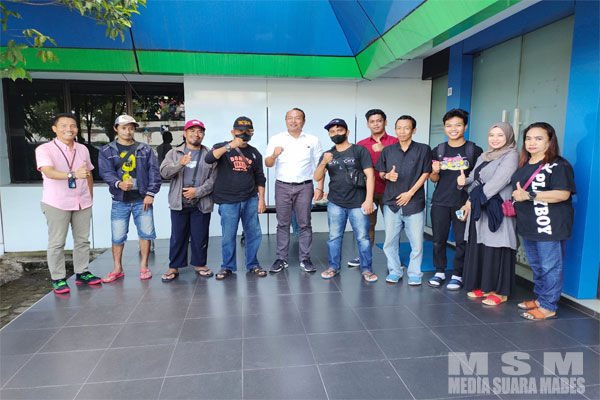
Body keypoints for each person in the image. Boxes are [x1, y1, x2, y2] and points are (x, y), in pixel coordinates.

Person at [511, 122, 576, 320]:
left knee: (550, 266)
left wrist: (530, 195)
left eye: (538, 138)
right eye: (528, 138)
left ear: (550, 141)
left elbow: (563, 194)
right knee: (537, 266)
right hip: (529, 224)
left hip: (549, 225)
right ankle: (541, 299)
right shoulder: (524, 164)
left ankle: (548, 306)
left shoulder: (558, 165)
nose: (532, 142)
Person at [35, 113, 102, 294]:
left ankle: (82, 272)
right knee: (57, 242)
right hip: (57, 202)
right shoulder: (44, 149)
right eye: (63, 126)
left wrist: (90, 196)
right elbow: (48, 172)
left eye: (72, 126)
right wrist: (72, 174)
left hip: (82, 201)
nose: (69, 129)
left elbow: (88, 173)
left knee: (82, 240)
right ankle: (58, 278)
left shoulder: (82, 149)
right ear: (54, 129)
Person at [458, 122, 519, 306]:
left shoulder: (511, 155)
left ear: (508, 137)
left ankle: (500, 292)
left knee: (497, 247)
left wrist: (473, 200)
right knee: (482, 247)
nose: (495, 139)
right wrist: (463, 181)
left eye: (500, 135)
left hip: (496, 209)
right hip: (481, 208)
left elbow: (499, 181)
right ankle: (486, 287)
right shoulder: (484, 156)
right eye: (492, 135)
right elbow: (475, 178)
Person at [99, 115, 161, 282]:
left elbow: (154, 172)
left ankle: (144, 266)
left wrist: (150, 193)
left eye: (131, 128)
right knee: (117, 236)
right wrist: (118, 183)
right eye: (124, 128)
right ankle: (117, 268)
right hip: (120, 200)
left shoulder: (145, 149)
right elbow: (106, 172)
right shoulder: (106, 150)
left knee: (146, 234)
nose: (128, 131)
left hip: (142, 199)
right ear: (116, 129)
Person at [314, 118, 377, 282]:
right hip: (335, 202)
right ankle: (333, 267)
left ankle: (367, 269)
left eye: (339, 130)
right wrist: (324, 162)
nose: (336, 134)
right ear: (329, 135)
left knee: (362, 238)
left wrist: (369, 199)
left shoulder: (359, 150)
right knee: (334, 238)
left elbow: (370, 175)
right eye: (332, 132)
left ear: (347, 132)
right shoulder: (327, 154)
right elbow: (317, 177)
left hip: (358, 202)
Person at [205, 116, 267, 279]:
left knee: (253, 234)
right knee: (228, 235)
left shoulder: (255, 153)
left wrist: (261, 199)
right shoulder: (222, 147)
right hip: (228, 200)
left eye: (247, 131)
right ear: (233, 132)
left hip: (250, 199)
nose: (243, 133)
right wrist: (230, 145)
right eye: (240, 130)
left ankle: (253, 264)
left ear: (252, 133)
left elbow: (260, 177)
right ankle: (227, 266)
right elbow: (209, 158)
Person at [428, 109, 483, 290]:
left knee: (461, 240)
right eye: (449, 125)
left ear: (465, 127)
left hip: (463, 203)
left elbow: (480, 179)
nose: (453, 129)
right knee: (438, 239)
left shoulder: (474, 150)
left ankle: (458, 274)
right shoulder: (439, 150)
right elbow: (434, 179)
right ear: (445, 127)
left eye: (458, 125)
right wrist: (434, 172)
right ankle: (440, 271)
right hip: (440, 202)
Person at [265, 108, 324, 273]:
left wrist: (319, 187)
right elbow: (268, 163)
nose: (293, 121)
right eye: (290, 118)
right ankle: (281, 259)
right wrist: (274, 155)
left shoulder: (312, 140)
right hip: (282, 186)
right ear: (285, 120)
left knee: (304, 223)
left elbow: (321, 165)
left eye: (297, 118)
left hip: (305, 186)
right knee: (283, 223)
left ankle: (305, 259)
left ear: (303, 121)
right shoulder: (276, 139)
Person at [159, 119, 217, 282]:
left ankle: (200, 265)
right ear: (185, 134)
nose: (196, 134)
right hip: (179, 202)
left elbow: (214, 179)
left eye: (199, 131)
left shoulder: (209, 154)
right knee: (178, 236)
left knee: (200, 235)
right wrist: (180, 164)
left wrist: (197, 192)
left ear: (203, 135)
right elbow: (164, 173)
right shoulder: (174, 153)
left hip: (201, 201)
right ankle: (174, 266)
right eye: (192, 131)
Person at [376, 115, 431, 286]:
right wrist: (387, 176)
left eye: (406, 128)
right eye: (399, 128)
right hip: (391, 202)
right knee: (389, 242)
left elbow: (426, 173)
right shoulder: (388, 150)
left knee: (416, 242)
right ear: (394, 130)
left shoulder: (423, 149)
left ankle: (415, 273)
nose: (402, 131)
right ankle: (395, 271)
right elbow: (380, 172)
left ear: (414, 130)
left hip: (414, 202)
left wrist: (410, 193)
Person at [347, 109, 398, 267]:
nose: (376, 124)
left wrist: (384, 151)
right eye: (372, 121)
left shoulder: (395, 142)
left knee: (393, 227)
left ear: (385, 122)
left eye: (379, 121)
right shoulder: (361, 144)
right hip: (368, 192)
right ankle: (364, 256)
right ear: (368, 124)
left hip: (390, 191)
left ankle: (394, 259)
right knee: (367, 226)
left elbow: (402, 164)